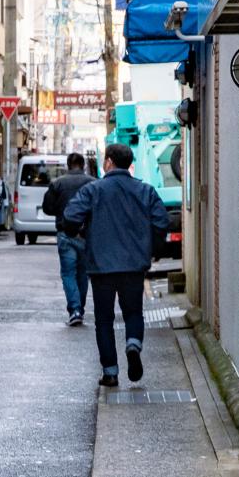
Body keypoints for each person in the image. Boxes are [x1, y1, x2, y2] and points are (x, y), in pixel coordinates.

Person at [62, 142, 170, 388]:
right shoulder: (145, 190)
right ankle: (133, 343)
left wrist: (78, 233)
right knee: (133, 312)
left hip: (101, 267)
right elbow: (161, 222)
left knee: (104, 319)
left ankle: (110, 372)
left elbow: (70, 216)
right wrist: (151, 251)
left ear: (109, 162)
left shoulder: (94, 190)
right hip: (134, 266)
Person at [42, 152, 95, 326]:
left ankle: (75, 310)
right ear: (83, 165)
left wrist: (61, 209)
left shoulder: (57, 184)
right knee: (82, 273)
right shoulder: (93, 183)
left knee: (68, 273)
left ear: (68, 165)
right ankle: (80, 307)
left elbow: (47, 208)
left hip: (65, 233)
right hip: (86, 235)